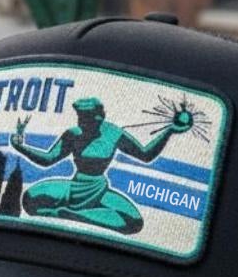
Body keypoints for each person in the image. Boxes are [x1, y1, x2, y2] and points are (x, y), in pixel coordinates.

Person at [10, 97, 193, 235]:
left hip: (99, 191)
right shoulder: (74, 134)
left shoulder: (113, 134)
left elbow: (145, 155)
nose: (83, 123)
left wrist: (169, 131)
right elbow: (48, 159)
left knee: (133, 221)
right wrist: (21, 147)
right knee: (30, 198)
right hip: (72, 187)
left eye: (87, 119)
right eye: (80, 119)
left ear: (99, 117)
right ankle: (79, 212)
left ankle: (72, 214)